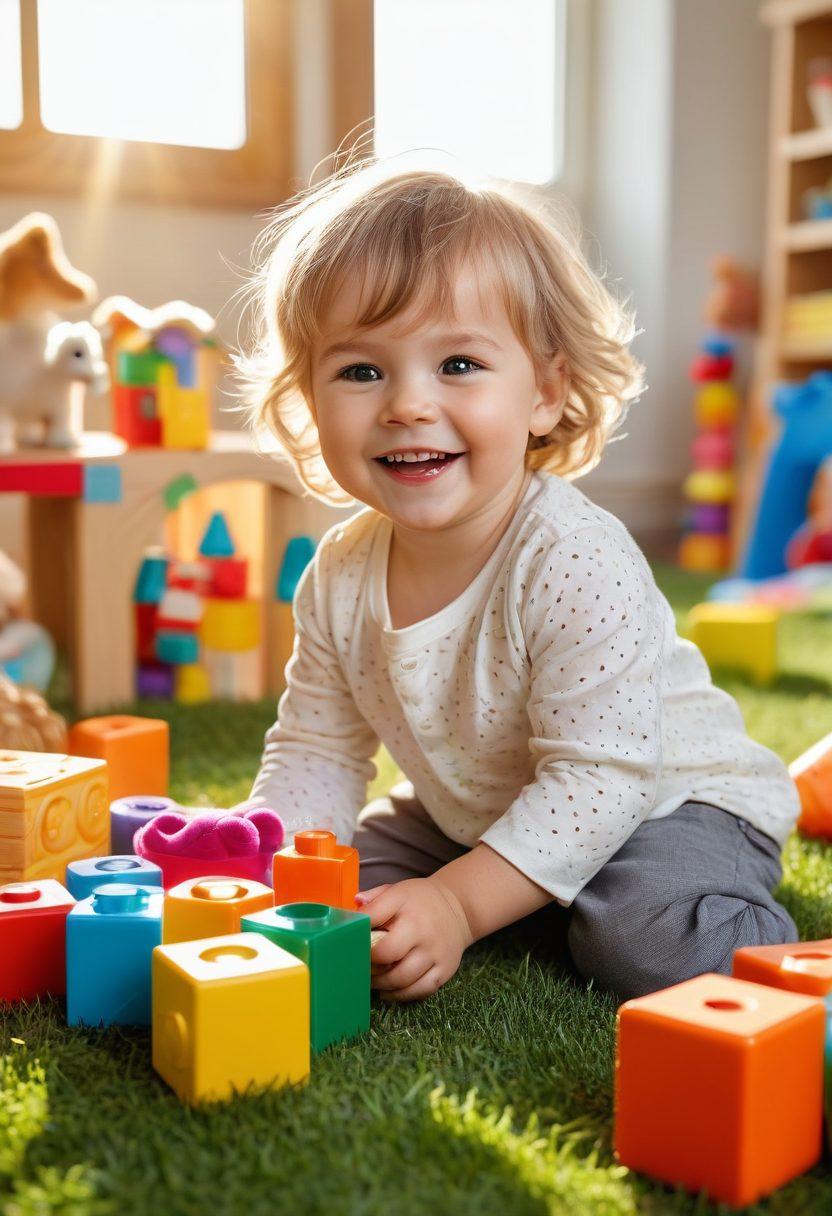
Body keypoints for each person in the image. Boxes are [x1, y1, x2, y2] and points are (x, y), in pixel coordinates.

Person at [235, 153, 799, 1003]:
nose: (407, 405)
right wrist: (264, 870)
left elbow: (604, 778)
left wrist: (458, 906)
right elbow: (318, 749)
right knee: (347, 892)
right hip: (479, 812)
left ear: (544, 392)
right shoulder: (339, 576)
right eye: (361, 371)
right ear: (312, 402)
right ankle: (530, 890)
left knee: (640, 940)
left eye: (459, 364)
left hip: (668, 804)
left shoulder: (573, 557)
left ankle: (688, 921)